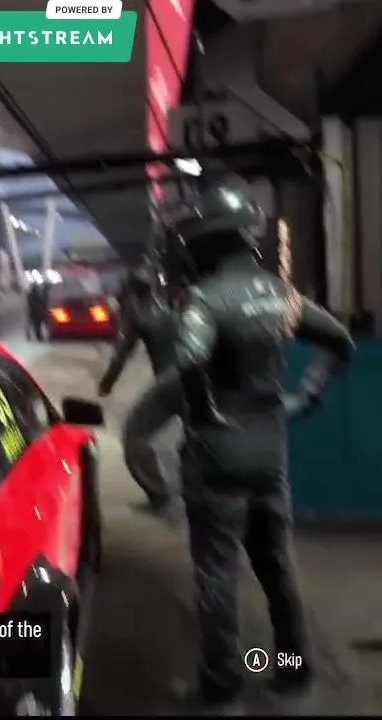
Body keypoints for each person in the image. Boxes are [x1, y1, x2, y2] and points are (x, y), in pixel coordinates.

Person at [158, 177, 355, 712]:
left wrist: (203, 411)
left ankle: (222, 685)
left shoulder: (204, 299)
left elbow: (191, 358)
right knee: (276, 566)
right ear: (249, 235)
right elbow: (341, 341)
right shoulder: (284, 296)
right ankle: (292, 669)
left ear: (205, 243)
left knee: (218, 573)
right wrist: (307, 395)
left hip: (217, 455)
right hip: (270, 454)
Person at [96, 260, 180, 514]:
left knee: (134, 437)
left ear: (131, 293)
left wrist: (106, 384)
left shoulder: (140, 315)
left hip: (170, 385)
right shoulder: (172, 307)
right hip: (196, 379)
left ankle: (159, 495)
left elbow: (122, 355)